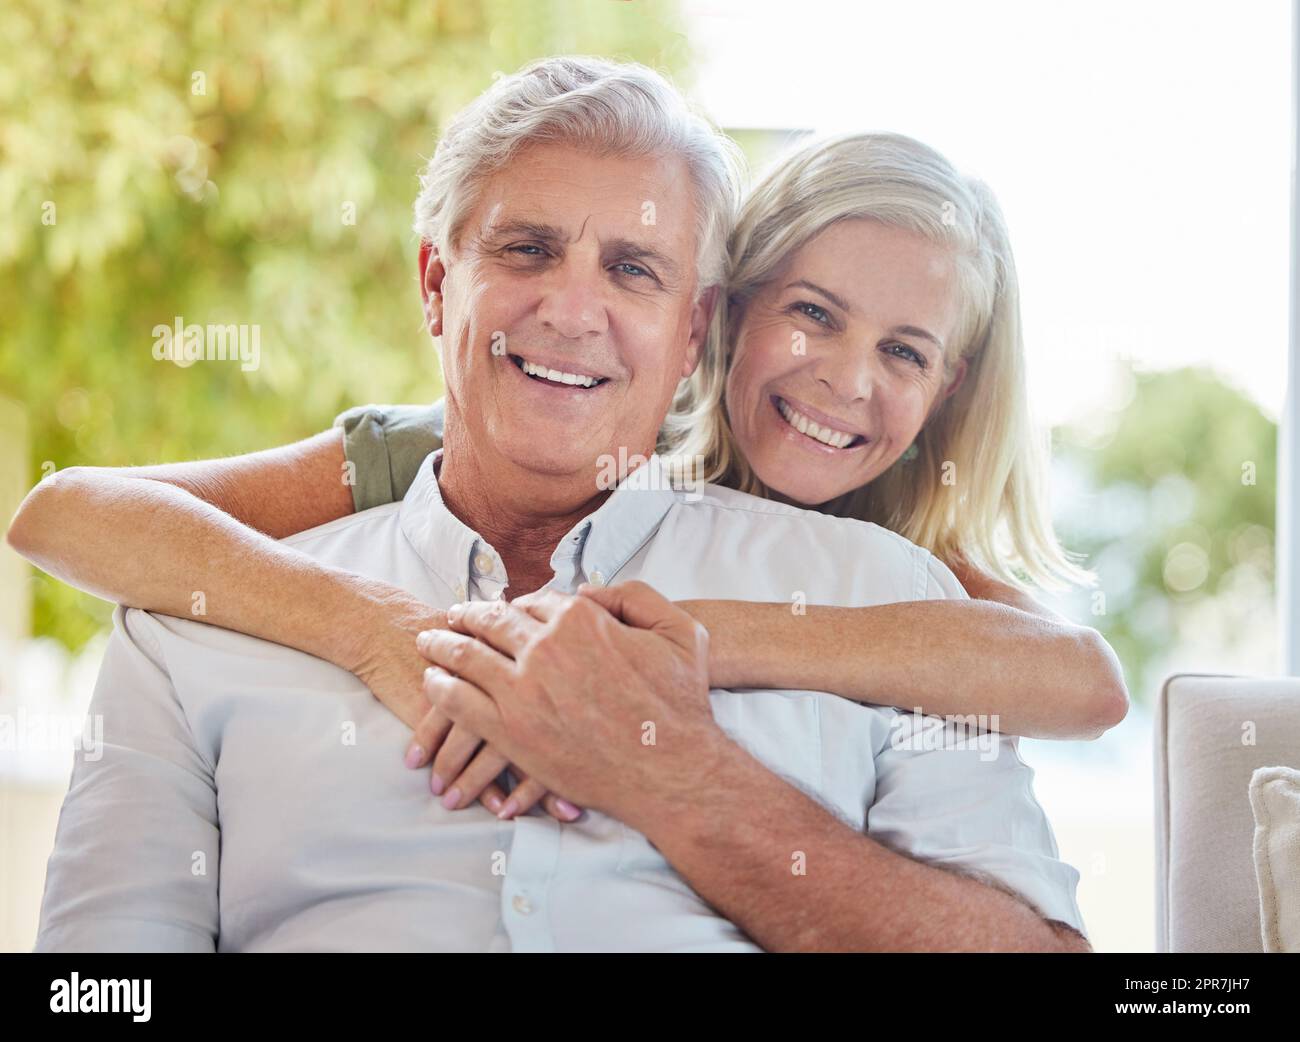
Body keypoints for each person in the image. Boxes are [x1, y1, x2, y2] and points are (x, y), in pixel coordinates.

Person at [31, 55, 1090, 951]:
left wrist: (668, 763)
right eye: (526, 249)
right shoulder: (198, 605)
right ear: (436, 283)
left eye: (632, 268)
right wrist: (383, 633)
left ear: (691, 330)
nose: (571, 309)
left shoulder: (891, 590)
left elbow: (1079, 688)